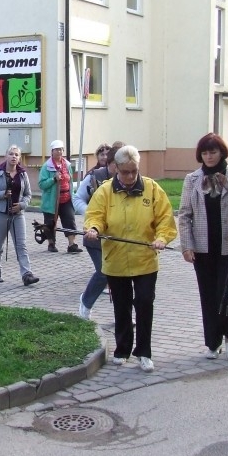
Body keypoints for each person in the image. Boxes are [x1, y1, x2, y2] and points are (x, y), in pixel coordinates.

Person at [84, 145, 177, 373]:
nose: (129, 176)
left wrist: (162, 238)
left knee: (145, 303)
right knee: (122, 306)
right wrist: (94, 228)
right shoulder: (105, 191)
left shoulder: (152, 189)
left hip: (145, 260)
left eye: (133, 171)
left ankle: (144, 352)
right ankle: (122, 349)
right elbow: (95, 215)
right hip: (116, 260)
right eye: (125, 172)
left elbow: (165, 218)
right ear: (116, 168)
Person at [178, 133, 228, 361]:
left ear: (222, 152)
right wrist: (186, 246)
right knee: (208, 295)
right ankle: (212, 341)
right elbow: (184, 215)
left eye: (213, 152)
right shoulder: (192, 180)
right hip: (202, 248)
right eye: (205, 152)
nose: (209, 157)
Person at [73, 143, 123, 319]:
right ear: (109, 163)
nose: (120, 170)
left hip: (118, 238)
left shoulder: (129, 180)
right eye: (116, 165)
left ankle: (123, 314)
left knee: (120, 277)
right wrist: (93, 215)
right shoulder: (95, 177)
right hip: (95, 236)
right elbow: (77, 198)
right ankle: (85, 303)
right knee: (104, 272)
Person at [0, 145, 39, 286]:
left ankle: (27, 274)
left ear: (19, 158)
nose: (14, 157)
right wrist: (1, 195)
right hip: (0, 213)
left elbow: (28, 195)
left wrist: (22, 205)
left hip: (18, 214)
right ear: (6, 156)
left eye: (16, 154)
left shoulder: (22, 174)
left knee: (21, 245)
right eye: (11, 154)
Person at [39, 139, 83, 253]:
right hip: (52, 200)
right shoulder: (46, 167)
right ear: (52, 151)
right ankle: (51, 244)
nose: (59, 152)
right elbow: (42, 184)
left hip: (66, 198)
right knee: (50, 222)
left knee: (69, 219)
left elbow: (70, 180)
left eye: (61, 149)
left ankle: (72, 244)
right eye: (56, 150)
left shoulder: (67, 165)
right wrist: (53, 179)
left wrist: (72, 194)